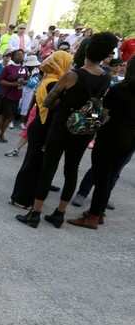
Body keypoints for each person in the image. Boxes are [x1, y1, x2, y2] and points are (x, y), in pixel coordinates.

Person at [17, 32, 118, 228]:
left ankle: (35, 212)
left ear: (86, 51)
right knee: (71, 170)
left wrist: (64, 101)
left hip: (62, 127)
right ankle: (59, 213)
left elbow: (48, 100)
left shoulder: (72, 75)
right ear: (105, 54)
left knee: (49, 167)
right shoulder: (106, 78)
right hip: (84, 129)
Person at [69, 57, 135, 228]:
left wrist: (85, 124)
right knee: (111, 175)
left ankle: (93, 216)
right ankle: (99, 211)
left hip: (111, 137)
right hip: (130, 140)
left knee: (101, 176)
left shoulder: (120, 89)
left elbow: (103, 114)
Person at [9, 51, 72, 208]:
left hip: (39, 126)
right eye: (68, 63)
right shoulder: (54, 83)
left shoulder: (49, 79)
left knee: (31, 163)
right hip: (44, 128)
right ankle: (23, 199)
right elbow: (54, 110)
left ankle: (19, 197)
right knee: (34, 165)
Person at [0, 49, 27, 142]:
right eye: (18, 54)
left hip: (17, 96)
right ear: (13, 57)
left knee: (10, 117)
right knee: (3, 115)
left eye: (22, 54)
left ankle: (2, 133)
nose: (20, 56)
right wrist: (13, 84)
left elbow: (25, 80)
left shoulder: (24, 69)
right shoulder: (8, 68)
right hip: (7, 95)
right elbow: (1, 81)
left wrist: (23, 82)